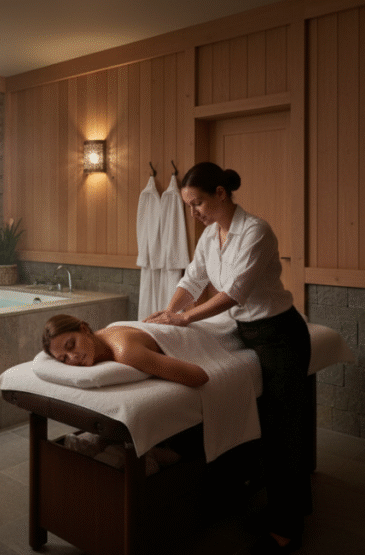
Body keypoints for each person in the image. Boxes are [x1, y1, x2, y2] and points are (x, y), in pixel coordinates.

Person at [144, 161, 312, 554]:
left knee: (282, 431)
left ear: (221, 193)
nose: (194, 213)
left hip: (280, 336)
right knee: (255, 423)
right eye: (189, 206)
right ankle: (281, 506)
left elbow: (233, 293)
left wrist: (182, 318)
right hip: (245, 333)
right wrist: (169, 316)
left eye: (198, 202)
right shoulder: (209, 238)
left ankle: (288, 529)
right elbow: (192, 281)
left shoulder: (256, 231)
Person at [41, 314, 209, 388]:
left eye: (71, 345)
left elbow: (198, 376)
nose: (73, 357)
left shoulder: (125, 352)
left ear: (84, 329)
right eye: (64, 359)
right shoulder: (99, 337)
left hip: (206, 336)